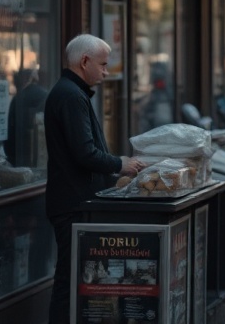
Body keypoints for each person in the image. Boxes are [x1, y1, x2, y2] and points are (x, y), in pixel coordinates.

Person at [45, 34, 143, 324]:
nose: (105, 71)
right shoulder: (71, 95)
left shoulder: (72, 93)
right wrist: (120, 164)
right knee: (70, 277)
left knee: (75, 275)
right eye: (102, 64)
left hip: (75, 200)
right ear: (84, 61)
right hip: (73, 203)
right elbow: (85, 153)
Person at [6, 67, 49, 167]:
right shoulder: (44, 95)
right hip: (38, 154)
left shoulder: (18, 98)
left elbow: (10, 131)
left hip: (19, 153)